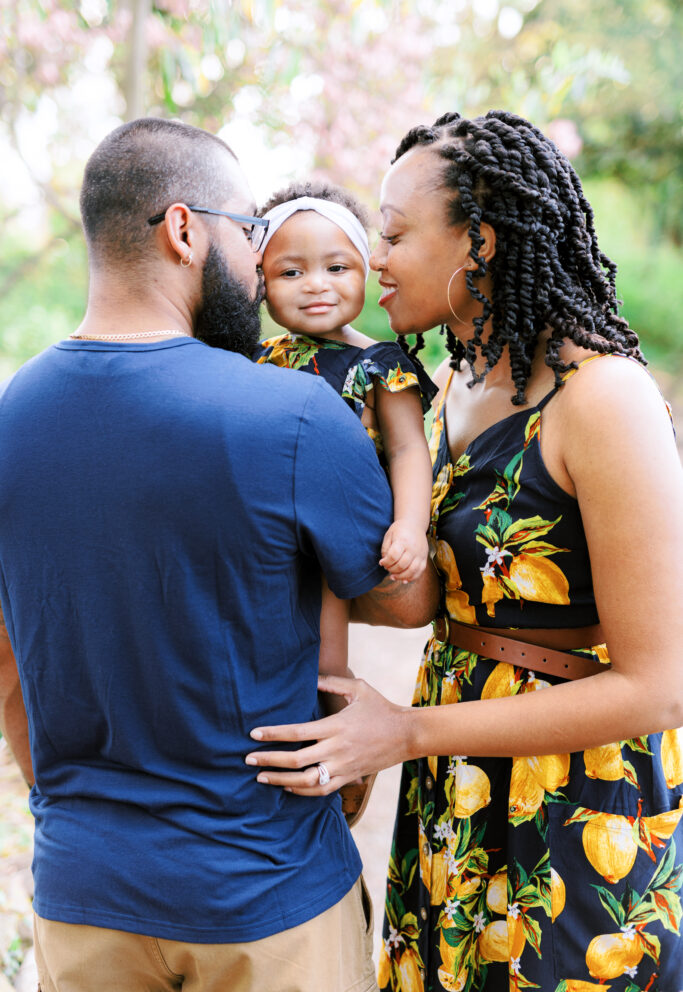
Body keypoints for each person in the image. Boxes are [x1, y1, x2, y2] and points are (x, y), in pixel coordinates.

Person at [245, 111, 683, 991]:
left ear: (478, 241)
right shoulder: (445, 389)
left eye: (395, 233)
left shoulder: (601, 399)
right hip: (457, 785)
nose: (376, 258)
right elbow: (415, 599)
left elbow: (662, 683)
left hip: (575, 803)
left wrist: (403, 732)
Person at [0, 116, 439, 992]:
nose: (256, 263)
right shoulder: (293, 415)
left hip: (83, 893)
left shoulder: (12, 417)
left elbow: (7, 665)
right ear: (184, 229)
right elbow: (404, 600)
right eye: (249, 234)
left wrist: (67, 807)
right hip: (264, 898)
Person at [252, 180, 436, 731]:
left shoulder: (379, 364)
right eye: (290, 272)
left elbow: (408, 450)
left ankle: (334, 726)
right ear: (259, 283)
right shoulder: (257, 360)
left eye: (337, 268)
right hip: (268, 520)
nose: (315, 286)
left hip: (339, 518)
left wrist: (409, 525)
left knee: (325, 643)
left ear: (366, 272)